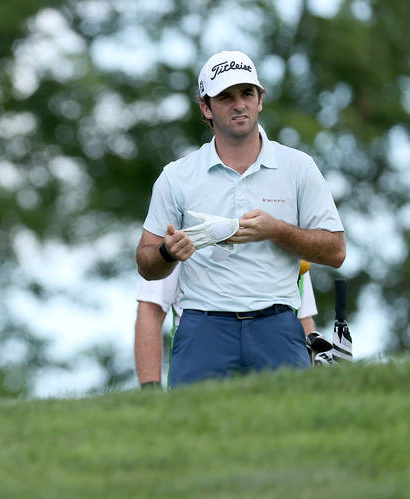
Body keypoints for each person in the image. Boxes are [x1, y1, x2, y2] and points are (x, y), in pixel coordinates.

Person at [135, 50, 345, 388]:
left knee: (290, 433)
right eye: (225, 97)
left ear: (260, 99)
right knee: (193, 435)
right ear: (206, 107)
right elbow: (145, 261)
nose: (239, 104)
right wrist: (168, 253)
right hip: (203, 328)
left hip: (277, 325)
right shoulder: (176, 177)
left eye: (247, 93)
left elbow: (335, 251)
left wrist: (275, 230)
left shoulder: (299, 167)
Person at [135, 262, 319, 389]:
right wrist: (150, 390)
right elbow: (151, 310)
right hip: (201, 354)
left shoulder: (286, 234)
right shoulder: (185, 222)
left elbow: (303, 319)